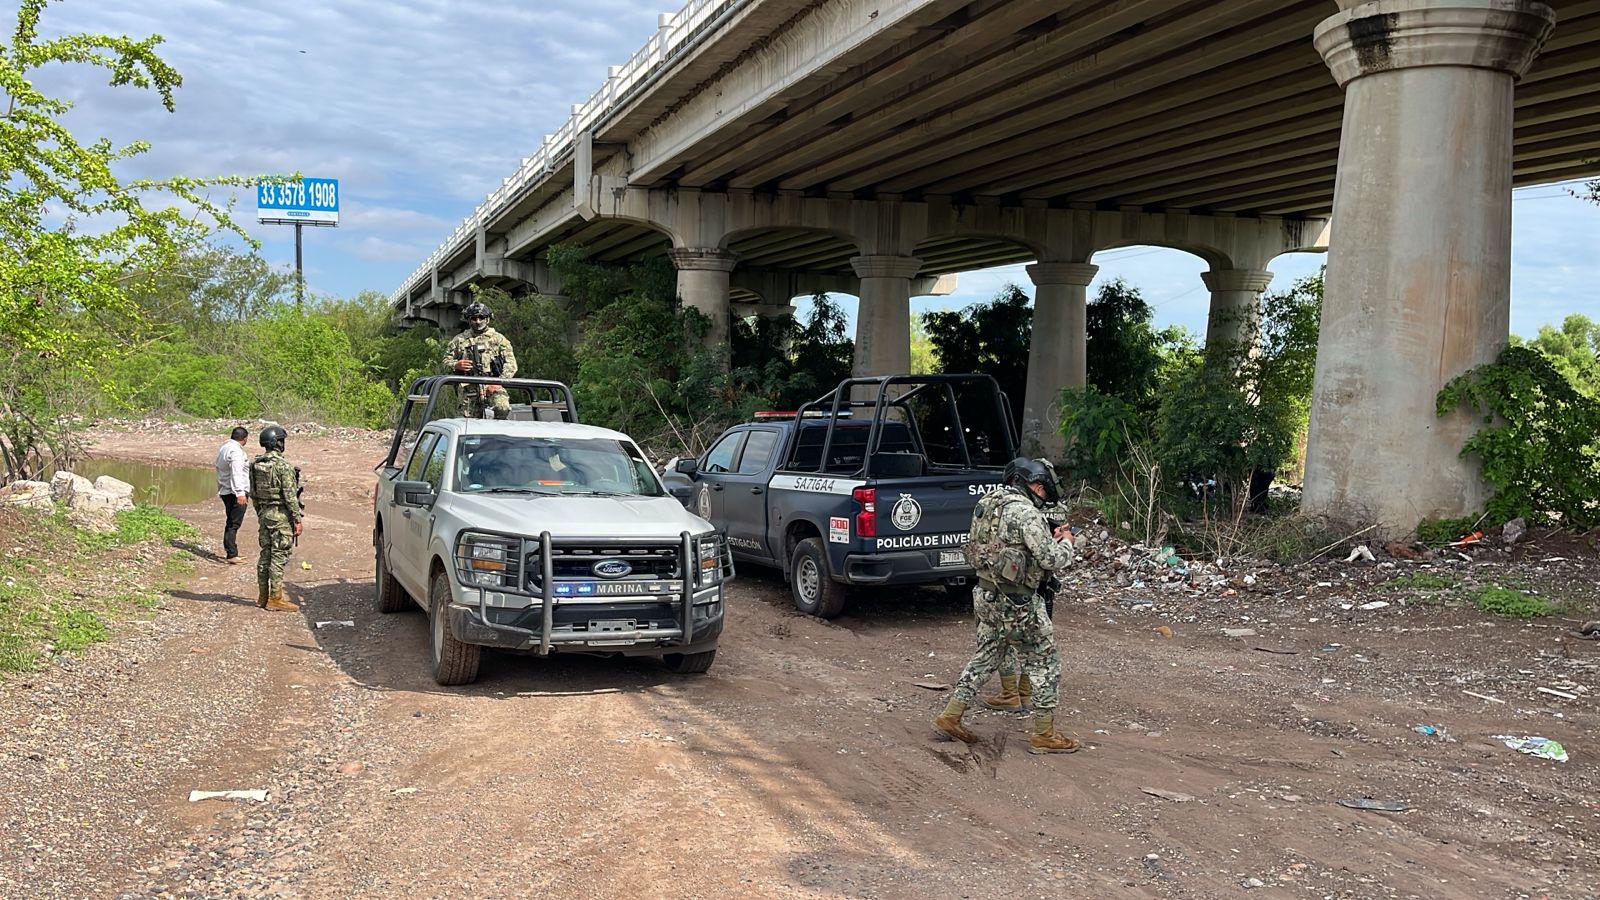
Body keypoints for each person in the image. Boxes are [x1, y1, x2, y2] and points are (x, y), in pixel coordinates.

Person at [934, 457, 1080, 754]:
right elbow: (1052, 559)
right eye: (1042, 490)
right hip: (1017, 601)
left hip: (986, 595)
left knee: (987, 655)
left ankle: (950, 715)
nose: (1043, 497)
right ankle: (1044, 734)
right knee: (1044, 660)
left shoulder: (987, 504)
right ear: (1034, 485)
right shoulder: (1026, 513)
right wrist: (1066, 542)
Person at [248, 425, 302, 611]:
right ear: (277, 443)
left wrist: (260, 514)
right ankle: (275, 598)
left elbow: (253, 494)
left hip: (264, 515)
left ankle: (262, 596)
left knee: (265, 555)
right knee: (279, 556)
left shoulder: (255, 465)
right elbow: (289, 496)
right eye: (282, 440)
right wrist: (297, 519)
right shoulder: (283, 467)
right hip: (280, 516)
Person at [441, 300, 518, 419]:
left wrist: (499, 382)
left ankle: (495, 434)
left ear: (487, 319)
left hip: (493, 384)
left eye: (481, 317)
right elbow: (445, 362)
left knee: (502, 408)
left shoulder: (499, 339)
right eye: (474, 318)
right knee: (467, 422)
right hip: (468, 388)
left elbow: (511, 364)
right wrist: (456, 364)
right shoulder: (459, 340)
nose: (478, 321)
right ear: (469, 320)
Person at [214, 426, 250, 565]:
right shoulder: (235, 451)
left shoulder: (224, 447)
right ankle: (231, 554)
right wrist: (240, 493)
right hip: (234, 492)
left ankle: (232, 551)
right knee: (233, 523)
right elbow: (236, 472)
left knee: (231, 521)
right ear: (245, 438)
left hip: (226, 490)